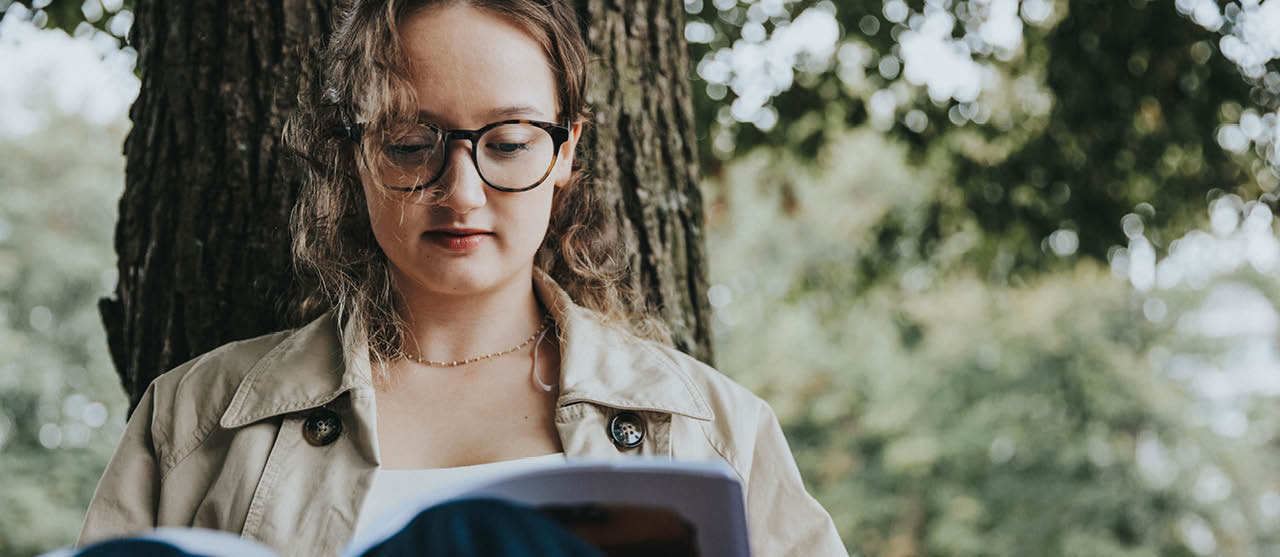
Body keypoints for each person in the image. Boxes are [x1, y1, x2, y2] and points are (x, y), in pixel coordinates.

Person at [75, 0, 846, 555]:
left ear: (566, 149)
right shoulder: (195, 419)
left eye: (508, 143)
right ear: (354, 150)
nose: (463, 191)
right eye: (412, 143)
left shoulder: (712, 427)